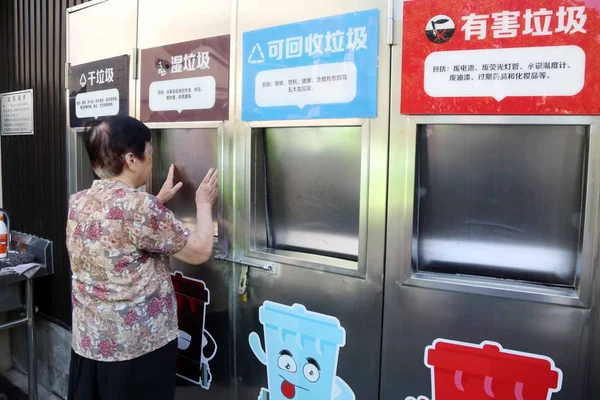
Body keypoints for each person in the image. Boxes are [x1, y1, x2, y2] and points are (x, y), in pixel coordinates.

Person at [66, 115, 217, 400]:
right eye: (149, 153)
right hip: (137, 349)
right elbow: (200, 251)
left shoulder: (79, 201)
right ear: (131, 159)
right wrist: (204, 204)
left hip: (90, 343)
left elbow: (117, 231)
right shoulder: (140, 208)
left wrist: (157, 201)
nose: (151, 160)